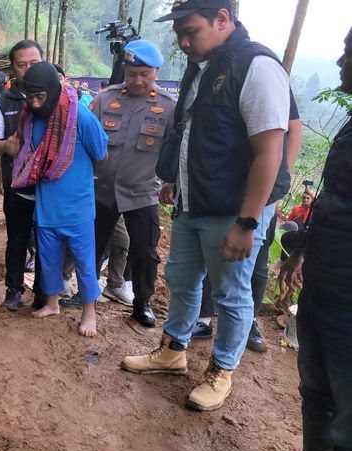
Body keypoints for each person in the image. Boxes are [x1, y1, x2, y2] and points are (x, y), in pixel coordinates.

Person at [121, 0, 291, 412]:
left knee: (230, 294)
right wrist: (174, 182)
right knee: (181, 278)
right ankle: (173, 349)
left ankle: (222, 369)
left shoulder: (256, 66)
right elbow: (194, 133)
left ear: (222, 18)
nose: (182, 41)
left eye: (190, 31)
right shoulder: (204, 65)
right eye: (179, 32)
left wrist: (248, 221)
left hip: (232, 209)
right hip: (193, 201)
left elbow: (270, 150)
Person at [253, 26, 352, 451]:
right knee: (315, 387)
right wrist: (303, 247)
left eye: (348, 53)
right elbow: (339, 205)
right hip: (326, 285)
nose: (339, 63)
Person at [192, 92, 302, 351]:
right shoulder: (219, 73)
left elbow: (294, 130)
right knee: (212, 252)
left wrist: (276, 187)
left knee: (257, 264)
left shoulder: (270, 78)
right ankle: (204, 317)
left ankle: (249, 322)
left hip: (262, 195)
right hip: (223, 190)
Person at [9, 62, 108, 336]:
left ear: (53, 91)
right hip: (47, 206)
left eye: (40, 97)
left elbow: (101, 155)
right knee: (49, 259)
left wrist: (80, 178)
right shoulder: (30, 119)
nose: (35, 103)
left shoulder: (82, 118)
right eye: (30, 97)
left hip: (78, 207)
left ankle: (90, 313)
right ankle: (52, 303)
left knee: (85, 263)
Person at [89, 39, 177, 328]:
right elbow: (85, 139)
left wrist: (172, 181)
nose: (137, 80)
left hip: (142, 193)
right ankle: (86, 296)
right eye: (132, 74)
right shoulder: (104, 100)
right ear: (124, 70)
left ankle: (141, 303)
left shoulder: (168, 107)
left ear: (156, 72)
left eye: (145, 75)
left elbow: (175, 149)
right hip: (102, 190)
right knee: (90, 246)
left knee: (144, 251)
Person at [0, 40, 45, 311]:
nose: (28, 69)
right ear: (13, 68)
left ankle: (46, 292)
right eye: (22, 65)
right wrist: (7, 146)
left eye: (34, 63)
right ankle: (13, 289)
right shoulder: (4, 100)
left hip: (50, 188)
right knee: (17, 239)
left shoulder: (57, 96)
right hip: (16, 186)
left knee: (48, 240)